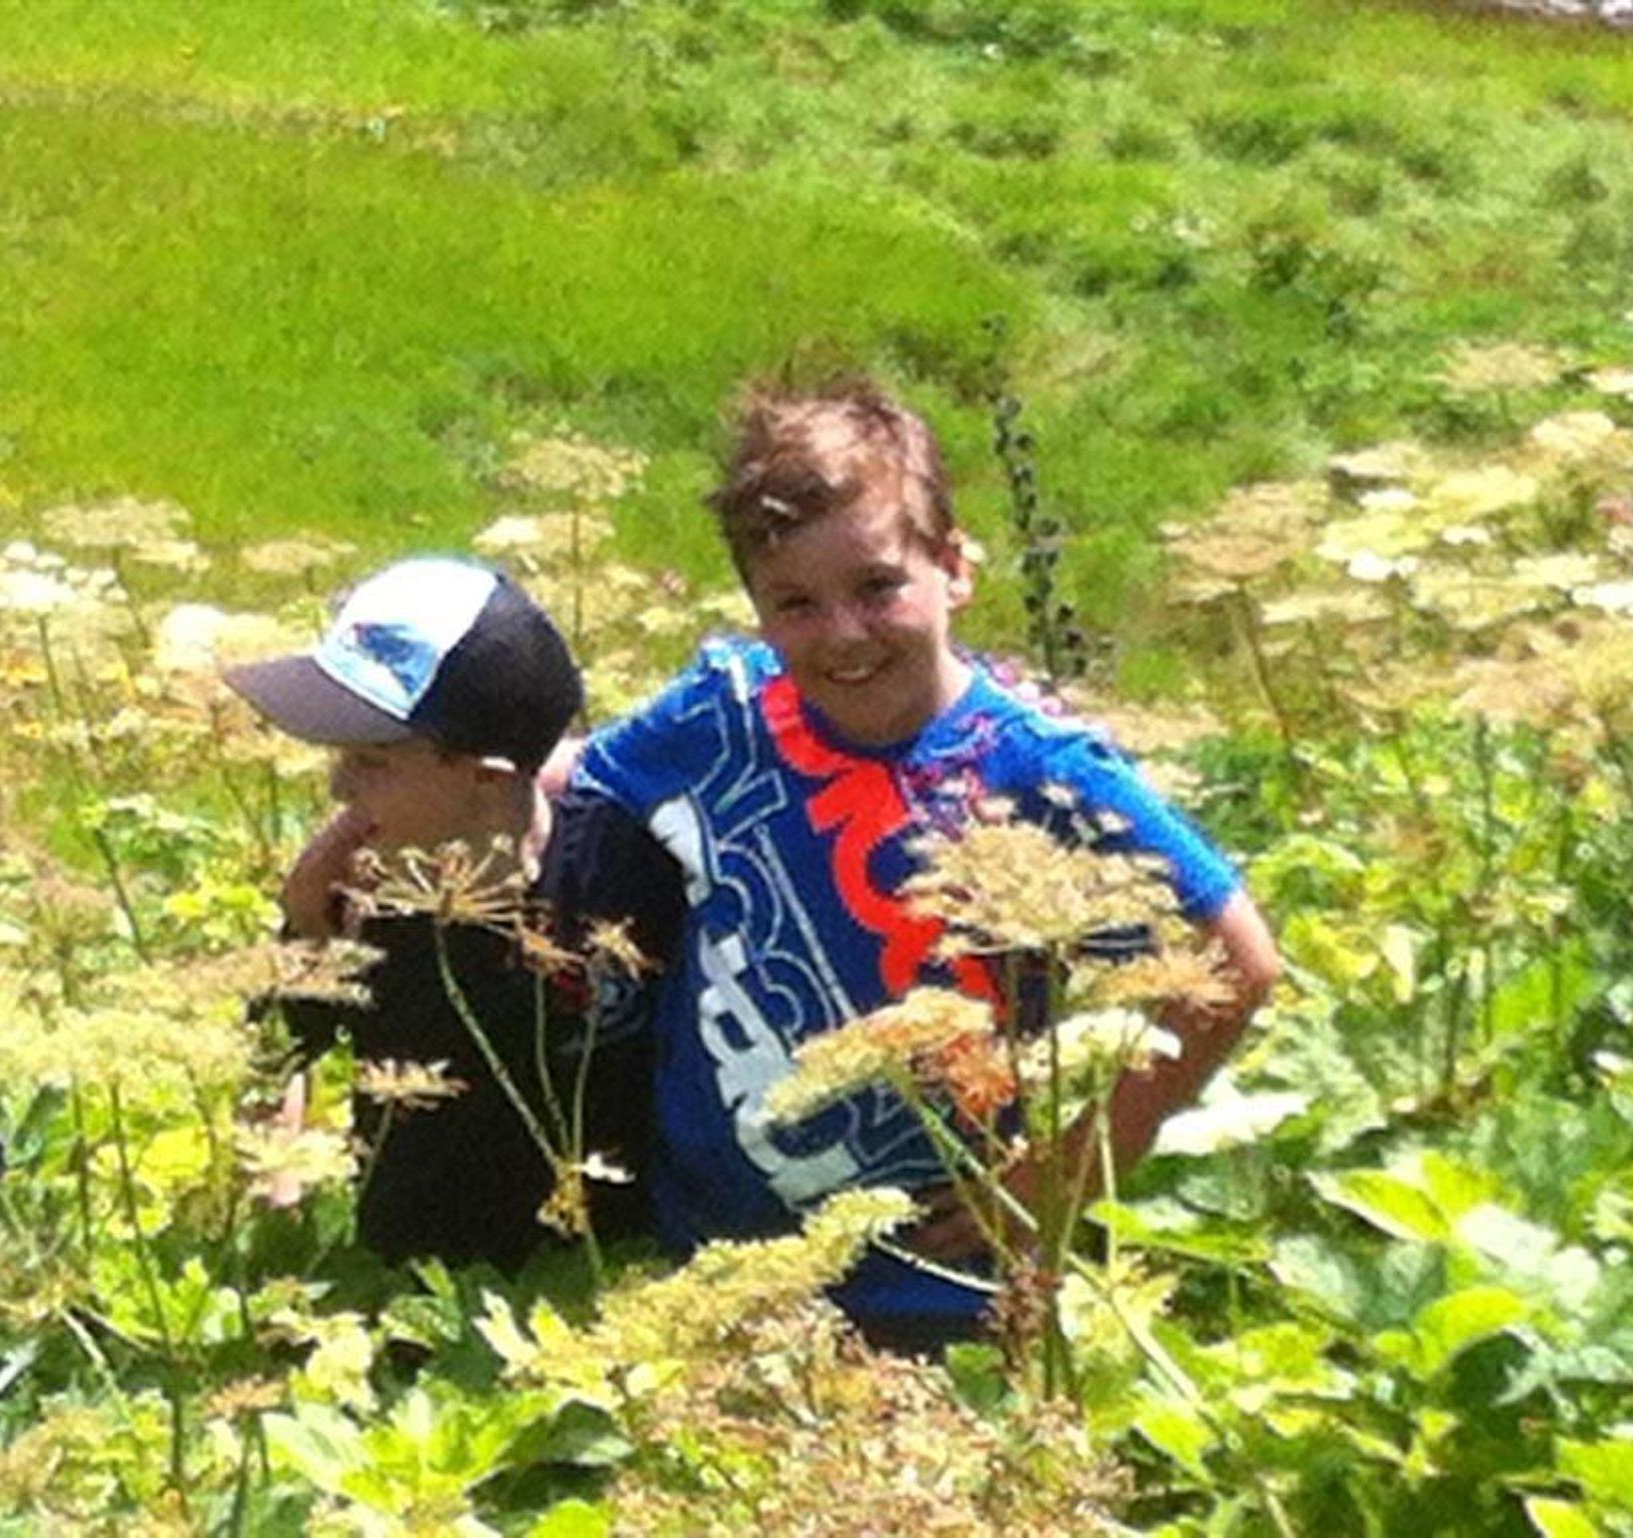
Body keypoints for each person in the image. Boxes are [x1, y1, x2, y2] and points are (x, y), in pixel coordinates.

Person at [571, 381, 1281, 1341]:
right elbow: (572, 785)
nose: (844, 634)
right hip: (707, 1260)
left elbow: (1240, 960)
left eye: (877, 587)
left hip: (935, 1295)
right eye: (796, 604)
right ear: (757, 610)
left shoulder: (1038, 773)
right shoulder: (727, 709)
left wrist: (1068, 1169)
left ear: (954, 567)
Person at [225, 556, 681, 1271]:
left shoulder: (627, 862)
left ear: (486, 779)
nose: (339, 786)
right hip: (411, 1286)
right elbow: (277, 1058)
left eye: (372, 761)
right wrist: (280, 1201)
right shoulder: (357, 897)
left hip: (608, 1270)